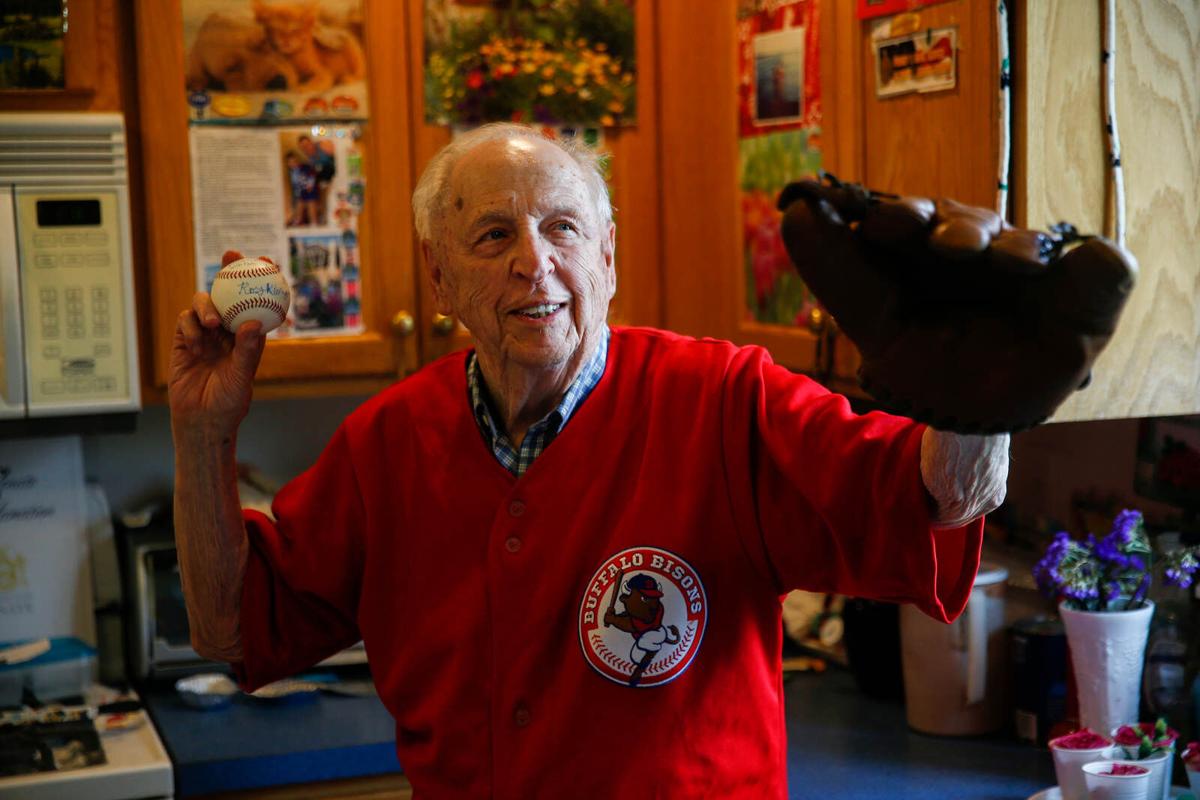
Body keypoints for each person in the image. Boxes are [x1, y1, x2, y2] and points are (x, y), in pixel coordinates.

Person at [170, 123, 1008, 798]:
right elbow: (231, 629)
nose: (534, 261)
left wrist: (977, 396)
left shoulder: (723, 400)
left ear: (605, 255)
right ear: (439, 277)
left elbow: (932, 498)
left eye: (562, 228)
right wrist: (204, 436)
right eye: (493, 234)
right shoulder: (383, 444)